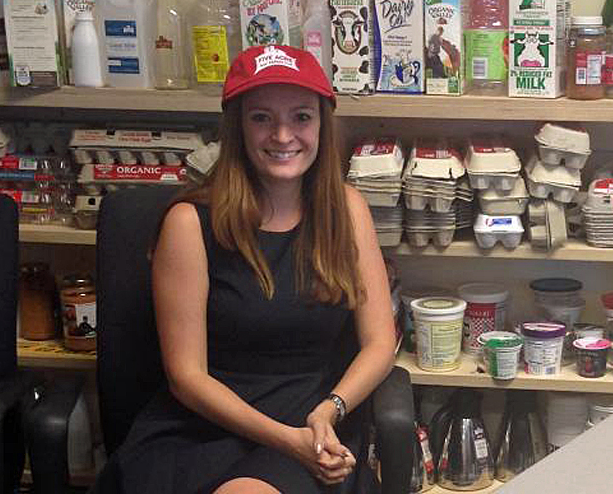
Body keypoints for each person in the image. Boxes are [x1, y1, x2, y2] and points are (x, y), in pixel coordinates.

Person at [98, 45, 396, 493]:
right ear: (237, 127)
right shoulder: (189, 223)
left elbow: (379, 342)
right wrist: (287, 441)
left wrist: (330, 410)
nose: (282, 135)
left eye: (301, 117)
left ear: (321, 123)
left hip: (311, 420)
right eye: (261, 118)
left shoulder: (346, 209)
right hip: (204, 426)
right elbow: (187, 377)